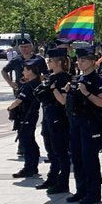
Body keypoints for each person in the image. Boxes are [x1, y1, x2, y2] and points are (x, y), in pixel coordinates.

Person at [62, 47, 102, 204]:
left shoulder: (97, 80)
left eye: (83, 61)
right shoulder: (77, 79)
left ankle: (94, 193)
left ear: (92, 62)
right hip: (76, 121)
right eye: (79, 60)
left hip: (91, 122)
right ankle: (81, 189)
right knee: (76, 157)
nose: (80, 63)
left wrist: (87, 93)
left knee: (89, 158)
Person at [36, 48, 72, 193]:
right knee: (51, 149)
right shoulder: (52, 76)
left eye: (50, 60)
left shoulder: (63, 77)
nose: (48, 63)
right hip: (48, 114)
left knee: (60, 151)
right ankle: (52, 178)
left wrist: (53, 90)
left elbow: (63, 101)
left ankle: (62, 182)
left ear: (59, 62)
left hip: (58, 115)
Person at [8, 58, 44, 178]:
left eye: (24, 69)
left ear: (30, 70)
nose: (23, 71)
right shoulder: (36, 83)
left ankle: (29, 167)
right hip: (31, 115)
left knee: (26, 141)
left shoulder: (30, 85)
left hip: (26, 116)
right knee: (30, 141)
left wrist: (9, 108)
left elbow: (19, 100)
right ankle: (32, 166)